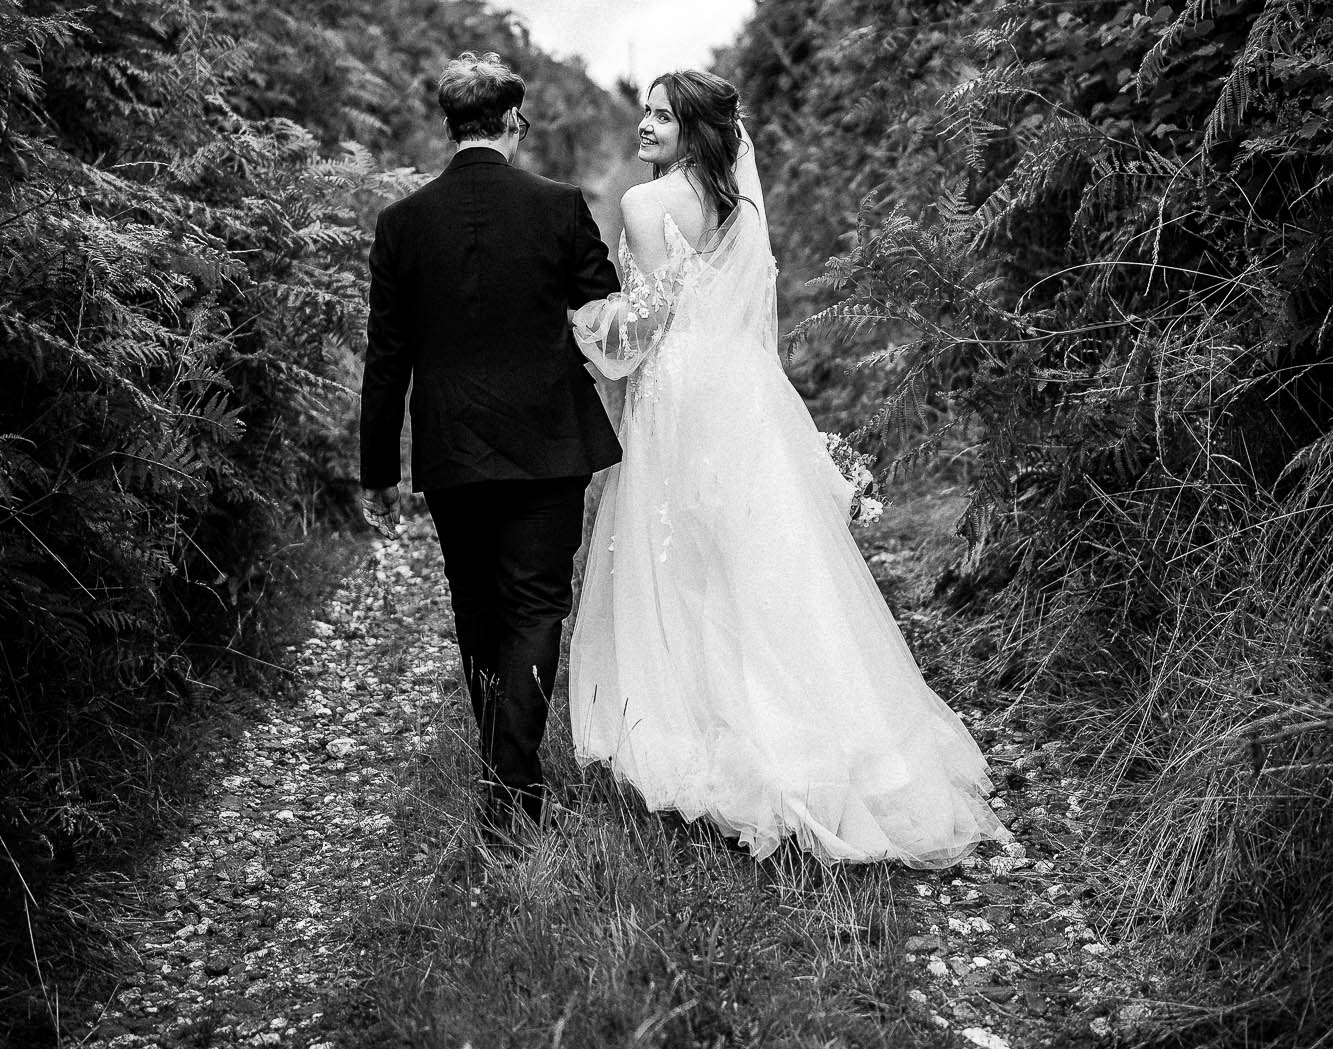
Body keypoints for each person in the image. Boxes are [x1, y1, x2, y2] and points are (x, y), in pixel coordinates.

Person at [569, 69, 1006, 865]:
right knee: (755, 557)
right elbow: (746, 319)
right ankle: (817, 732)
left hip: (679, 392)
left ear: (695, 130)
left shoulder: (642, 205)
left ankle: (710, 736)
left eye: (661, 117)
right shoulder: (738, 206)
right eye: (645, 112)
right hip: (739, 388)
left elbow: (644, 326)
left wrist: (586, 326)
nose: (643, 125)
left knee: (685, 563)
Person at [359, 51, 621, 841]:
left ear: (448, 127)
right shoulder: (558, 205)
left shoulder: (401, 224)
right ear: (514, 121)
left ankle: (504, 782)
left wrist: (377, 468)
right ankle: (513, 786)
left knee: (476, 607)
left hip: (452, 451)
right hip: (547, 444)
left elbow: (386, 354)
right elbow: (605, 307)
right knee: (537, 604)